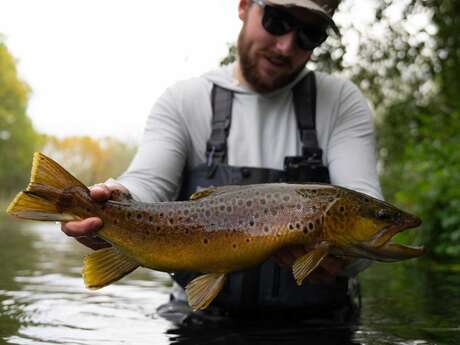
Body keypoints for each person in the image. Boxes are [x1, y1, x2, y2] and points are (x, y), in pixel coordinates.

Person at [62, 0, 382, 322]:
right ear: (244, 6)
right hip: (198, 321)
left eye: (309, 34)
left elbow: (364, 206)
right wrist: (112, 201)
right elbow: (147, 183)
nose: (286, 46)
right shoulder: (184, 101)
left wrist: (344, 258)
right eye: (277, 21)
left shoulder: (340, 102)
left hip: (319, 326)